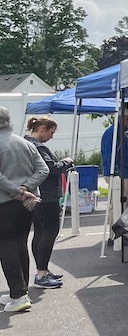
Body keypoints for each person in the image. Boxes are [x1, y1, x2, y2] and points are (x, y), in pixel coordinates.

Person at [0, 107, 49, 314]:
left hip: (4, 202)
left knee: (7, 246)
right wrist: (27, 188)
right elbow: (43, 169)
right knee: (21, 243)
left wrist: (15, 190)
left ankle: (18, 294)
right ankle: (20, 290)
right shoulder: (25, 142)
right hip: (27, 202)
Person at [24, 116, 73, 289]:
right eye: (51, 133)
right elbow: (51, 168)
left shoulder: (26, 143)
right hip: (47, 196)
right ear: (42, 128)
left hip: (34, 195)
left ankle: (41, 269)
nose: (51, 137)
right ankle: (41, 274)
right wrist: (66, 162)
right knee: (49, 233)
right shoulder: (39, 147)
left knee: (39, 233)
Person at [101, 109, 128, 234]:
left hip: (119, 173)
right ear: (126, 119)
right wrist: (116, 173)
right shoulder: (115, 133)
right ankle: (116, 234)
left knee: (118, 204)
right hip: (118, 174)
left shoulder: (116, 132)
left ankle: (117, 233)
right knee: (118, 204)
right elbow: (111, 155)